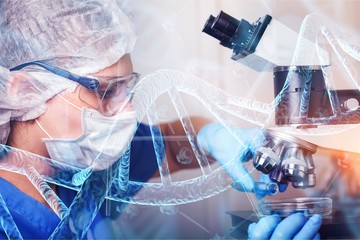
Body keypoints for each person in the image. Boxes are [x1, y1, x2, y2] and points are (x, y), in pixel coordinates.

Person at [0, 0, 321, 239]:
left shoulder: (81, 164)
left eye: (128, 89)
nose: (127, 111)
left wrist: (213, 136)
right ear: (24, 89)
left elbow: (168, 146)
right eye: (104, 91)